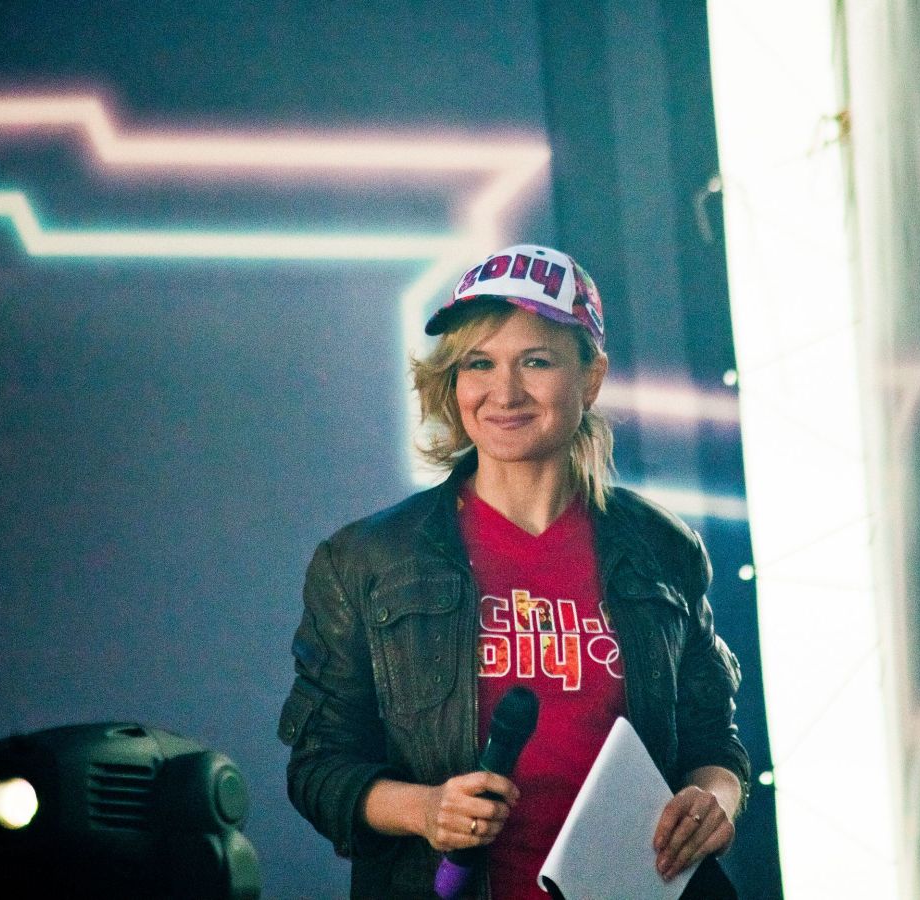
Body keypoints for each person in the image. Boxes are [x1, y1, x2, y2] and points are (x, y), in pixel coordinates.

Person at [279, 244, 750, 899]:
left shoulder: (662, 548)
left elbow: (714, 743)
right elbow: (318, 767)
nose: (504, 393)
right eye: (480, 363)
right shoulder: (366, 560)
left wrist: (713, 801)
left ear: (590, 378)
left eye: (536, 361)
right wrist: (426, 809)